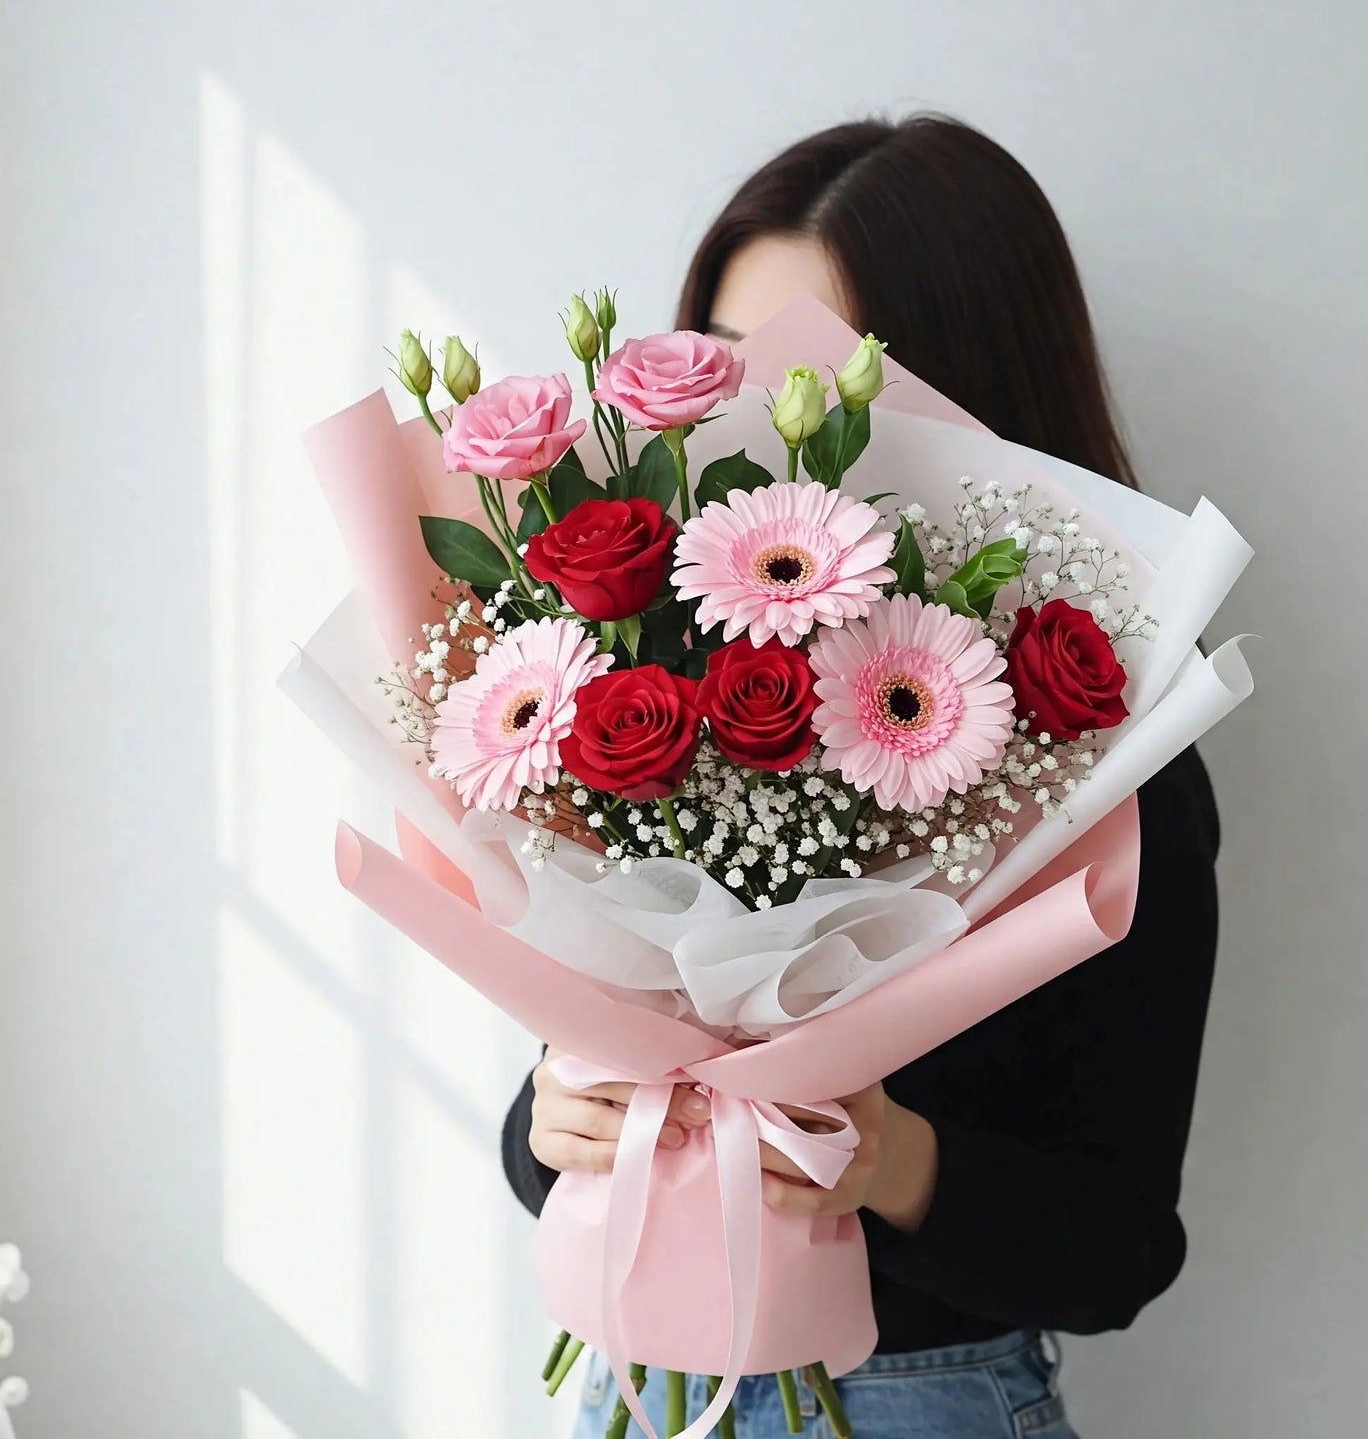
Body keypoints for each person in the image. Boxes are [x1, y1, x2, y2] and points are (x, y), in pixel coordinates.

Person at [501, 113, 1220, 1439]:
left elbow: (1116, 1247)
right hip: (630, 1379)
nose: (755, 419)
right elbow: (563, 1131)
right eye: (721, 362)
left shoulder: (1108, 764)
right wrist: (555, 1117)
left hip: (922, 1404)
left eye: (816, 376)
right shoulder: (651, 694)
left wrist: (890, 1157)